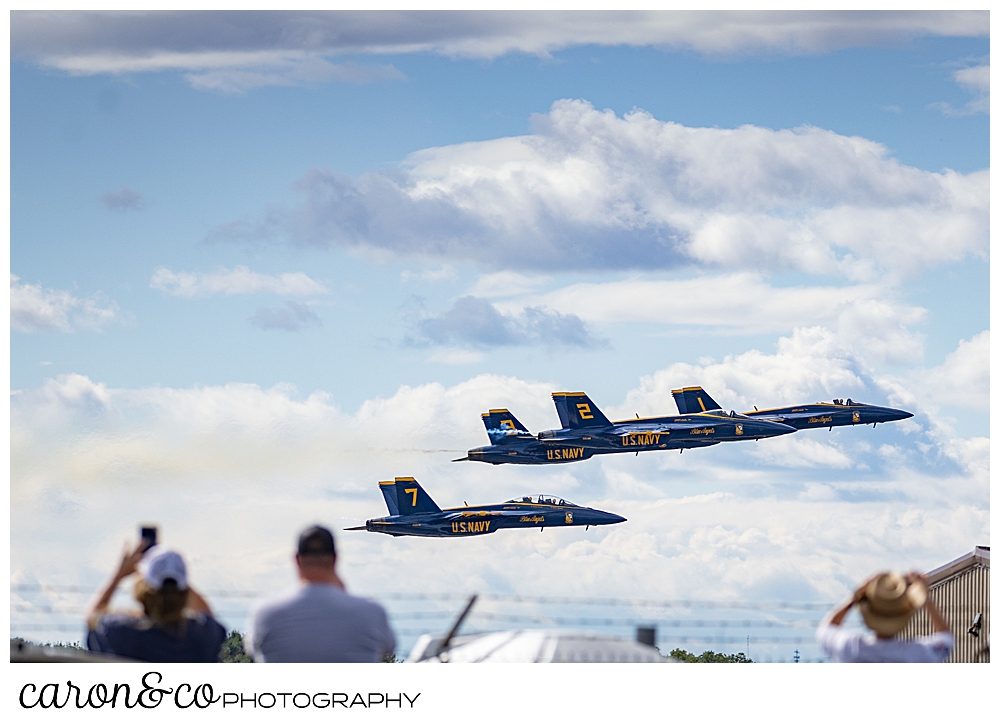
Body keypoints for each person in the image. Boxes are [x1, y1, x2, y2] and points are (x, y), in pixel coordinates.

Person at [246, 525, 396, 662]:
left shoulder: (266, 611)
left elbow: (252, 649)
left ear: (297, 560)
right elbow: (388, 648)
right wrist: (343, 595)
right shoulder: (371, 611)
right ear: (335, 559)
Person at [86, 542, 227, 662]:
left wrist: (120, 574)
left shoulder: (119, 632)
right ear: (184, 590)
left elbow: (92, 618)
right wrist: (176, 579)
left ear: (142, 588)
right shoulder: (200, 636)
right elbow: (208, 616)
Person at [816, 571, 954, 662]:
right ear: (905, 617)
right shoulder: (915, 654)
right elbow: (946, 639)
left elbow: (825, 630)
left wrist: (855, 596)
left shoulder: (851, 648)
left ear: (866, 615)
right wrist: (924, 598)